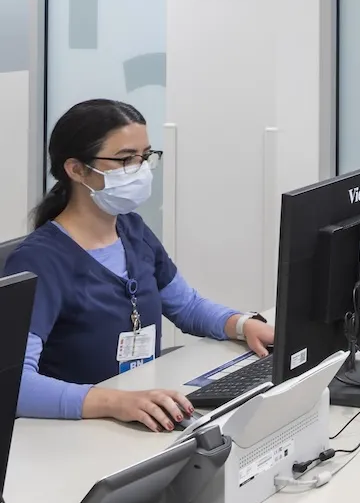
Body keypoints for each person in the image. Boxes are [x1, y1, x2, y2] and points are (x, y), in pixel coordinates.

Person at [3, 99, 274, 432]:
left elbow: (186, 305)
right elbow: (14, 384)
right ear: (76, 169)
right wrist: (113, 402)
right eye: (125, 159)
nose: (141, 169)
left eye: (145, 156)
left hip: (136, 419)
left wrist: (242, 325)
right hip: (74, 432)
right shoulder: (39, 261)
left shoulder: (131, 230)